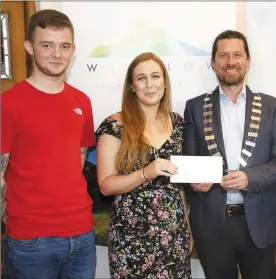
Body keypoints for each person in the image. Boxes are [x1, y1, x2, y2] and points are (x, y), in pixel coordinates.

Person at [1, 9, 96, 279]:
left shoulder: (81, 101)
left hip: (81, 234)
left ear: (72, 50)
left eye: (64, 46)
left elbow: (79, 157)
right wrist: (10, 222)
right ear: (29, 47)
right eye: (47, 45)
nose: (57, 54)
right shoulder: (8, 103)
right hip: (30, 240)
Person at [183, 30, 276, 279]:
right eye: (223, 55)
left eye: (237, 55)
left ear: (248, 61)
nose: (230, 62)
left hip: (259, 223)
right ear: (212, 62)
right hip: (212, 226)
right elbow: (189, 160)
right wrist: (194, 182)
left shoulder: (271, 106)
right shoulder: (194, 107)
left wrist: (250, 177)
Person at [95, 52, 193, 278]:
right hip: (131, 239)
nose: (150, 85)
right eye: (141, 78)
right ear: (132, 86)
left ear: (165, 82)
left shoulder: (177, 123)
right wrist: (145, 173)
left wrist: (186, 227)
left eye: (155, 77)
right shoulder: (115, 125)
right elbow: (105, 186)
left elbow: (178, 186)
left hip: (173, 235)